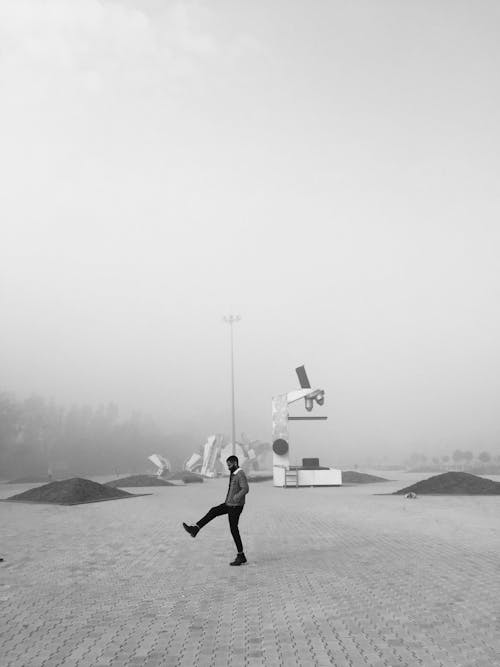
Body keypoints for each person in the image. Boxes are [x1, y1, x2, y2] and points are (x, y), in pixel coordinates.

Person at [182, 455, 249, 566]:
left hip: (235, 506)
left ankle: (241, 556)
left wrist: (236, 497)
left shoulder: (240, 473)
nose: (228, 467)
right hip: (229, 504)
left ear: (235, 463)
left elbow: (245, 488)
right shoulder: (234, 473)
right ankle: (195, 529)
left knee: (233, 529)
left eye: (229, 465)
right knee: (213, 511)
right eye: (227, 465)